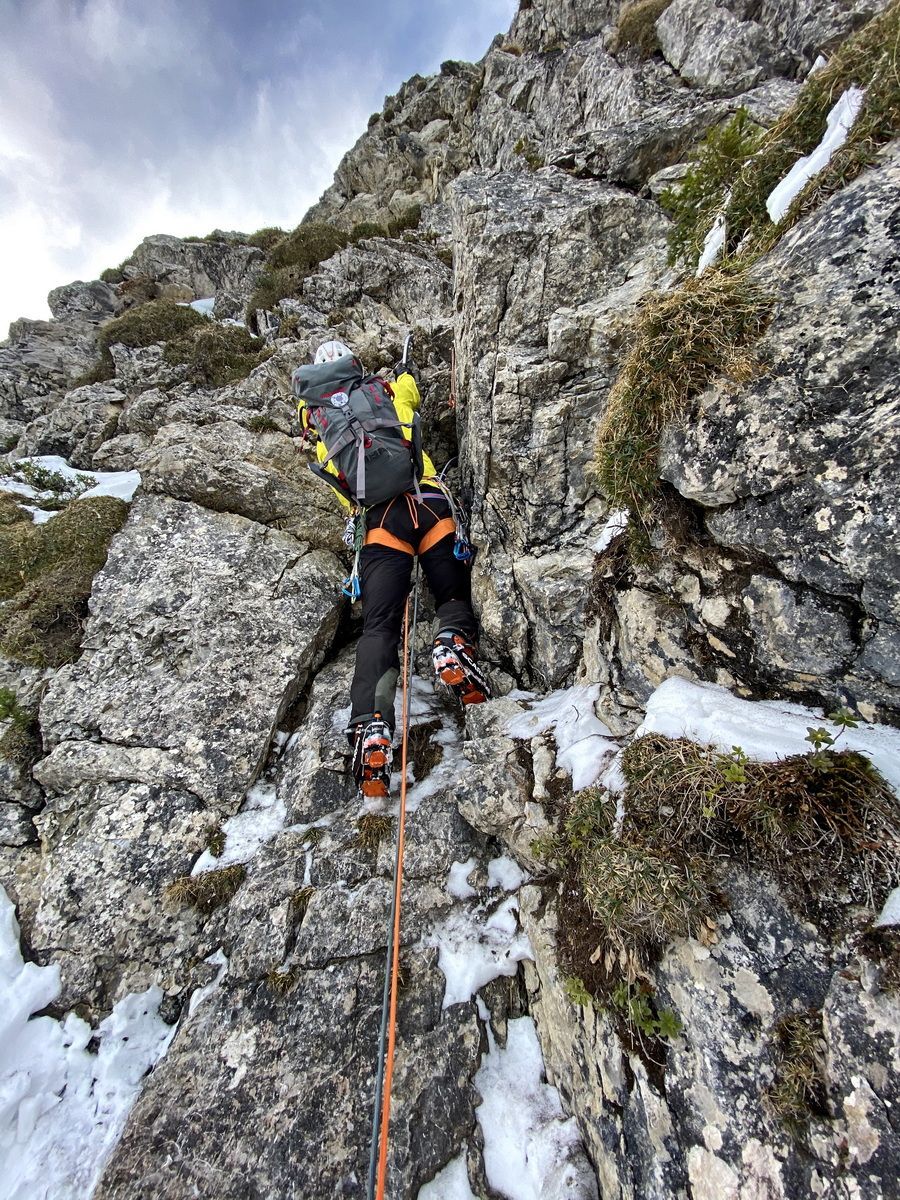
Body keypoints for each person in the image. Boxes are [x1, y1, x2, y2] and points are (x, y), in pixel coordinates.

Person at [292, 337, 490, 798]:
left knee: (379, 627)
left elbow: (345, 491)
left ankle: (371, 725)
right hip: (429, 500)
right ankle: (451, 643)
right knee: (451, 594)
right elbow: (412, 400)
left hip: (381, 525)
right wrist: (402, 378)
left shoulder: (325, 429)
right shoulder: (382, 393)